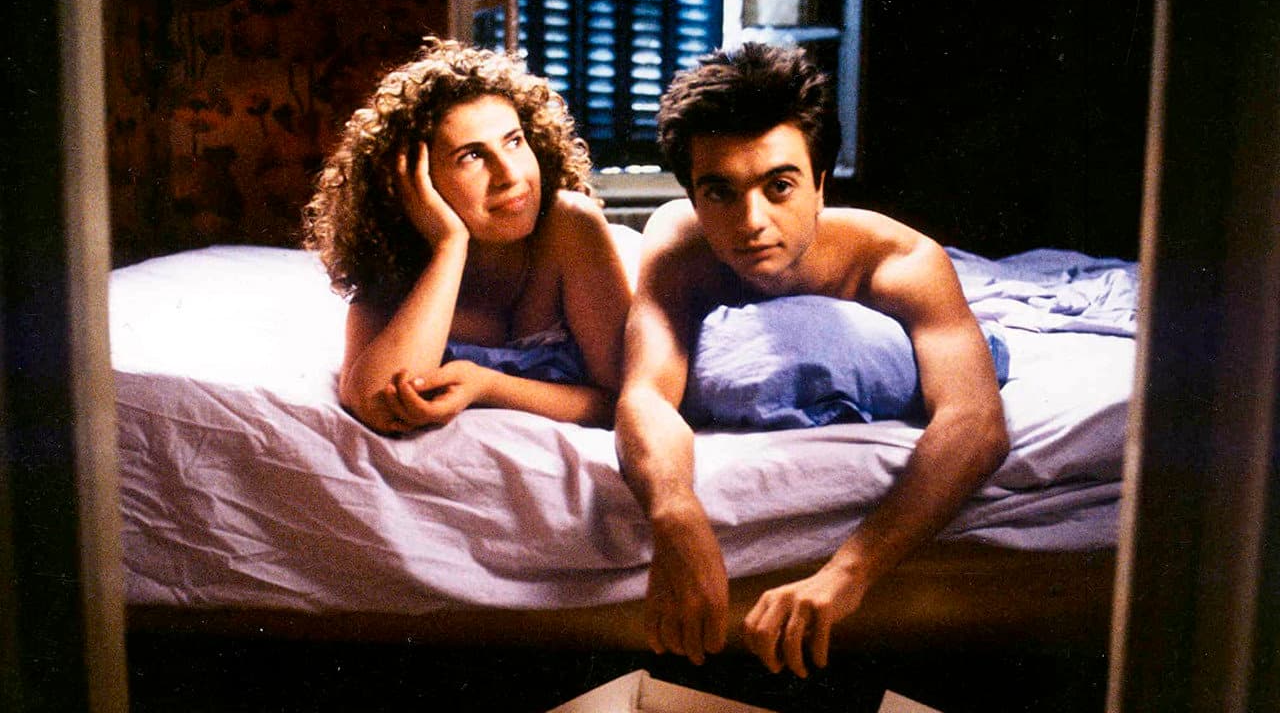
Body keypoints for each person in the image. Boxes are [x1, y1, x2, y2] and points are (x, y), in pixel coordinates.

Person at [614, 43, 1010, 677]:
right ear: (692, 197)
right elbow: (645, 393)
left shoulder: (901, 262)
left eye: (779, 186)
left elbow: (975, 422)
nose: (752, 221)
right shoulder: (678, 247)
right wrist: (675, 512)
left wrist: (847, 572)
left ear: (820, 184)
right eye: (719, 191)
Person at [303, 38, 632, 433]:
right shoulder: (393, 267)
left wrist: (487, 386)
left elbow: (628, 399)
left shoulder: (570, 224)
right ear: (413, 180)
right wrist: (449, 245)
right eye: (472, 156)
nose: (509, 174)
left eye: (514, 141)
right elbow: (377, 404)